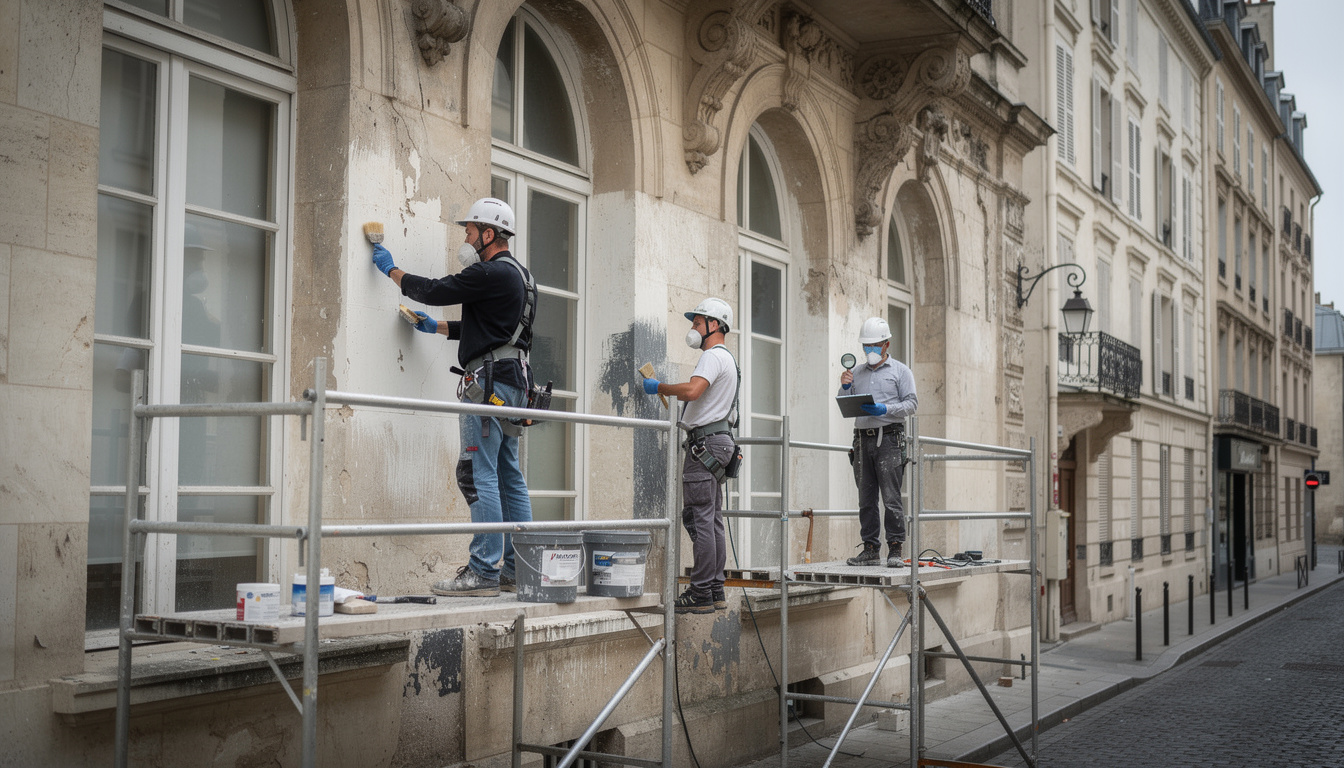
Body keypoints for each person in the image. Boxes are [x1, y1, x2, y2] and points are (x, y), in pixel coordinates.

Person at [371, 197, 537, 596]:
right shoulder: (522, 276)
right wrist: (438, 329)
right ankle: (519, 570)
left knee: (476, 472)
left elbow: (433, 289)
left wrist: (391, 269)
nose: (465, 237)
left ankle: (482, 572)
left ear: (489, 234)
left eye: (469, 230)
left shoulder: (489, 271)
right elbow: (491, 328)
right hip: (514, 382)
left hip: (489, 383)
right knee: (508, 474)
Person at [641, 298, 739, 614]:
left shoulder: (712, 357)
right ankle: (714, 590)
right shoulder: (730, 360)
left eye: (697, 323)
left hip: (705, 444)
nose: (693, 329)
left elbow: (694, 391)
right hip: (720, 442)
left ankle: (699, 594)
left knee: (700, 518)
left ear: (714, 324)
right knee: (712, 520)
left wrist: (661, 387)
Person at [839, 317, 917, 568]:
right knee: (866, 497)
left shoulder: (901, 371)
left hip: (890, 438)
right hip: (862, 440)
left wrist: (885, 408)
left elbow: (912, 404)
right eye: (866, 346)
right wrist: (845, 387)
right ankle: (871, 548)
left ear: (886, 344)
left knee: (891, 496)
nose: (869, 351)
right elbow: (844, 403)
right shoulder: (857, 373)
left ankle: (895, 548)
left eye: (874, 345)